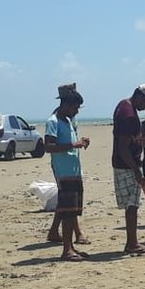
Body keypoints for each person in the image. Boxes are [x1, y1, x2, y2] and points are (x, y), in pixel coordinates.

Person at [43, 83, 90, 262]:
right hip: (64, 172)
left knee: (72, 211)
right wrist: (73, 144)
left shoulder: (68, 121)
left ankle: (70, 247)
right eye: (75, 107)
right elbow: (49, 146)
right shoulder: (53, 122)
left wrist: (80, 142)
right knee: (68, 211)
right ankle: (66, 250)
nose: (77, 111)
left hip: (74, 170)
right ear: (67, 105)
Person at [113, 84, 145, 255]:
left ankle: (132, 242)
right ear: (139, 96)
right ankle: (132, 243)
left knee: (131, 204)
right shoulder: (129, 115)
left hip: (125, 163)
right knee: (132, 205)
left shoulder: (122, 105)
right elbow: (123, 147)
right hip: (126, 165)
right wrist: (136, 169)